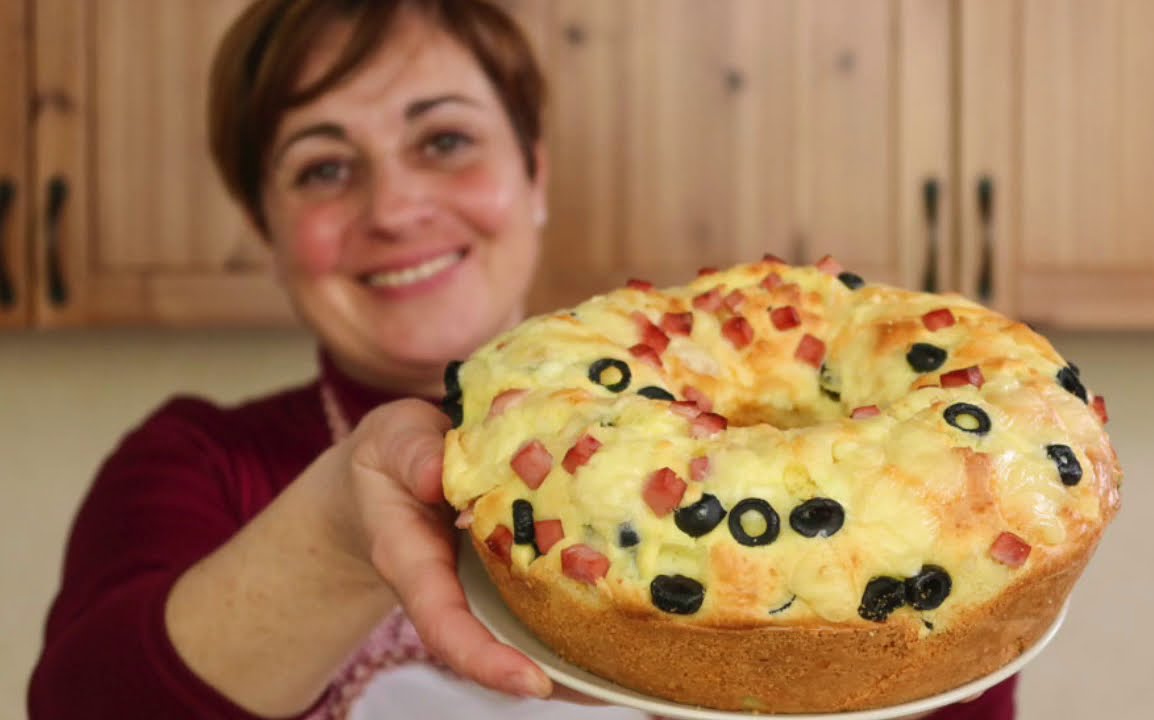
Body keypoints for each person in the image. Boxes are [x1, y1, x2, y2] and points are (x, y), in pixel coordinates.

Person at [28, 1, 1016, 718]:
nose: (394, 209)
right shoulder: (198, 460)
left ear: (533, 174)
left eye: (445, 140)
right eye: (324, 168)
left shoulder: (838, 498)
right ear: (265, 225)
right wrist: (337, 527)